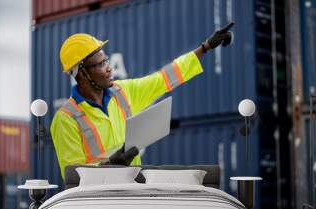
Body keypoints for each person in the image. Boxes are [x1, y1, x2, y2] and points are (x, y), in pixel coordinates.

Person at [51, 22, 235, 178]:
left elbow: (164, 78)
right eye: (100, 64)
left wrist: (205, 47)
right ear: (81, 73)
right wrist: (110, 165)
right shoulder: (65, 119)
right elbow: (73, 177)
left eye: (106, 60)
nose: (108, 68)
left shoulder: (123, 92)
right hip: (98, 202)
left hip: (134, 187)